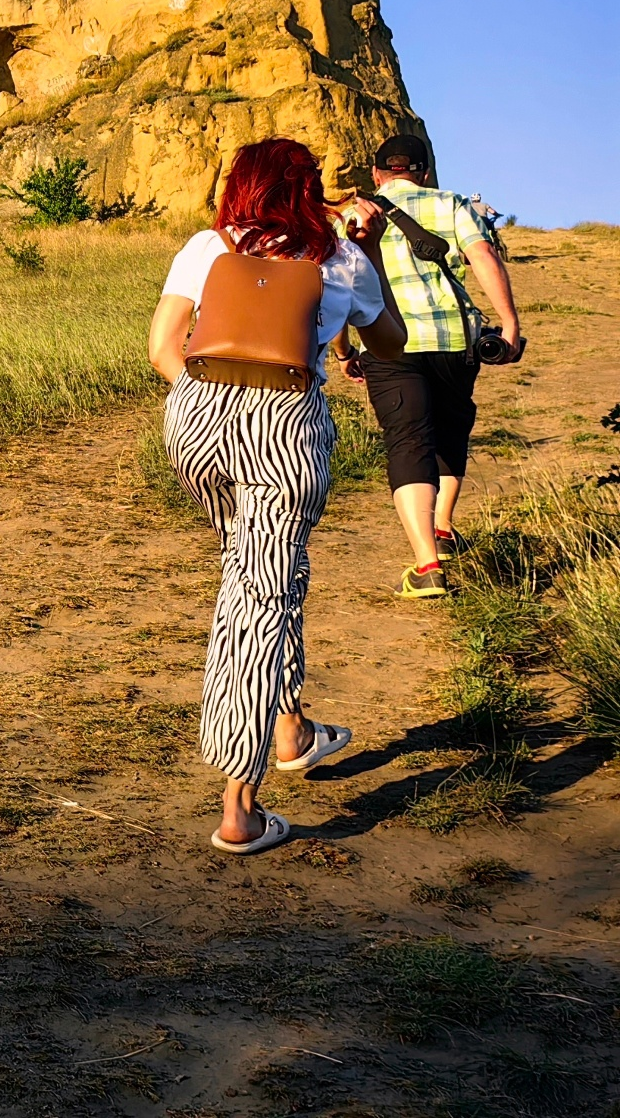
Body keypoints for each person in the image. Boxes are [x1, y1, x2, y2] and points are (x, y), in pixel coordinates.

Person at [146, 138, 408, 854]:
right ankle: (240, 803)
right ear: (307, 189)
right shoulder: (341, 259)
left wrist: (212, 404)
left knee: (260, 574)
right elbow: (390, 342)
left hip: (195, 420)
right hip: (284, 425)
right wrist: (371, 246)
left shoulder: (208, 245)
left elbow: (162, 347)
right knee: (260, 597)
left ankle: (288, 727)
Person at [333, 133, 522, 599]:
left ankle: (427, 564)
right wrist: (510, 322)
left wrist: (342, 351)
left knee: (408, 439)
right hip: (455, 340)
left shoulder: (354, 216)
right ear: (424, 173)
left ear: (376, 175)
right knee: (450, 428)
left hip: (388, 343)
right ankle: (442, 526)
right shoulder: (451, 203)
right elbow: (482, 255)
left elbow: (338, 283)